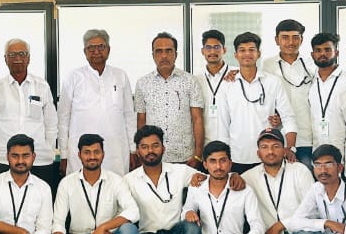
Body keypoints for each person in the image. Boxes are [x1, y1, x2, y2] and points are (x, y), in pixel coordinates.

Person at [124, 125, 203, 234]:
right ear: (137, 151)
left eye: (155, 145)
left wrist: (232, 176)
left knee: (192, 229)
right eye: (144, 147)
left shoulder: (179, 171)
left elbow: (211, 180)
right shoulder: (128, 180)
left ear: (163, 148)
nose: (150, 151)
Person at [241, 127, 315, 234]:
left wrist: (282, 224)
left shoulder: (300, 171)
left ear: (284, 150)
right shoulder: (248, 177)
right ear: (258, 153)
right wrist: (232, 177)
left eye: (275, 146)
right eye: (265, 147)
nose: (270, 151)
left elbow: (312, 211)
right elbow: (224, 184)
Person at [0, 39, 58, 186]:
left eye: (22, 54)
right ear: (5, 59)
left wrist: (48, 150)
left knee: (40, 199)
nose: (17, 58)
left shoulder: (42, 86)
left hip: (39, 160)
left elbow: (51, 123)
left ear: (29, 58)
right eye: (12, 55)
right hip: (2, 159)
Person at [59, 30, 134, 177]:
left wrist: (133, 149)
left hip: (116, 151)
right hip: (81, 152)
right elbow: (63, 118)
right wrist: (63, 154)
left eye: (101, 46)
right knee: (80, 187)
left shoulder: (120, 75)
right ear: (85, 52)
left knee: (116, 187)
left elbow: (129, 115)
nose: (96, 51)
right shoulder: (73, 77)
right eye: (91, 48)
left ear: (108, 49)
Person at [220, 32, 296, 170]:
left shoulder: (273, 82)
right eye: (242, 50)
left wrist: (290, 148)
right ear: (236, 55)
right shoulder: (227, 84)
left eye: (251, 50)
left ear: (259, 54)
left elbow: (288, 117)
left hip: (269, 155)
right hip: (237, 155)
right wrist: (224, 155)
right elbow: (223, 124)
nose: (247, 54)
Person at [134, 32, 205, 168]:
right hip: (154, 156)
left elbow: (197, 119)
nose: (164, 56)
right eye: (159, 51)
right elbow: (141, 121)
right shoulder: (142, 83)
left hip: (185, 156)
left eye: (168, 51)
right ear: (153, 55)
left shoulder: (190, 81)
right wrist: (141, 153)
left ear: (175, 54)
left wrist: (197, 154)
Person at [260, 20, 315, 167]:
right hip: (278, 136)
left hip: (307, 136)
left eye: (295, 37)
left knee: (306, 176)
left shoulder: (311, 65)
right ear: (276, 40)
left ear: (301, 40)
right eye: (285, 37)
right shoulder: (267, 65)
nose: (291, 42)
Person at [305, 31, 346, 162]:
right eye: (318, 50)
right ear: (312, 55)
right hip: (317, 149)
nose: (322, 54)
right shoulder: (310, 81)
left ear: (336, 52)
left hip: (345, 149)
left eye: (327, 50)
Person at [197, 29, 233, 145]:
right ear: (202, 51)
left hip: (232, 141)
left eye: (217, 47)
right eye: (208, 47)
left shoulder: (236, 75)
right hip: (205, 143)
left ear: (224, 50)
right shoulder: (196, 80)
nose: (212, 51)